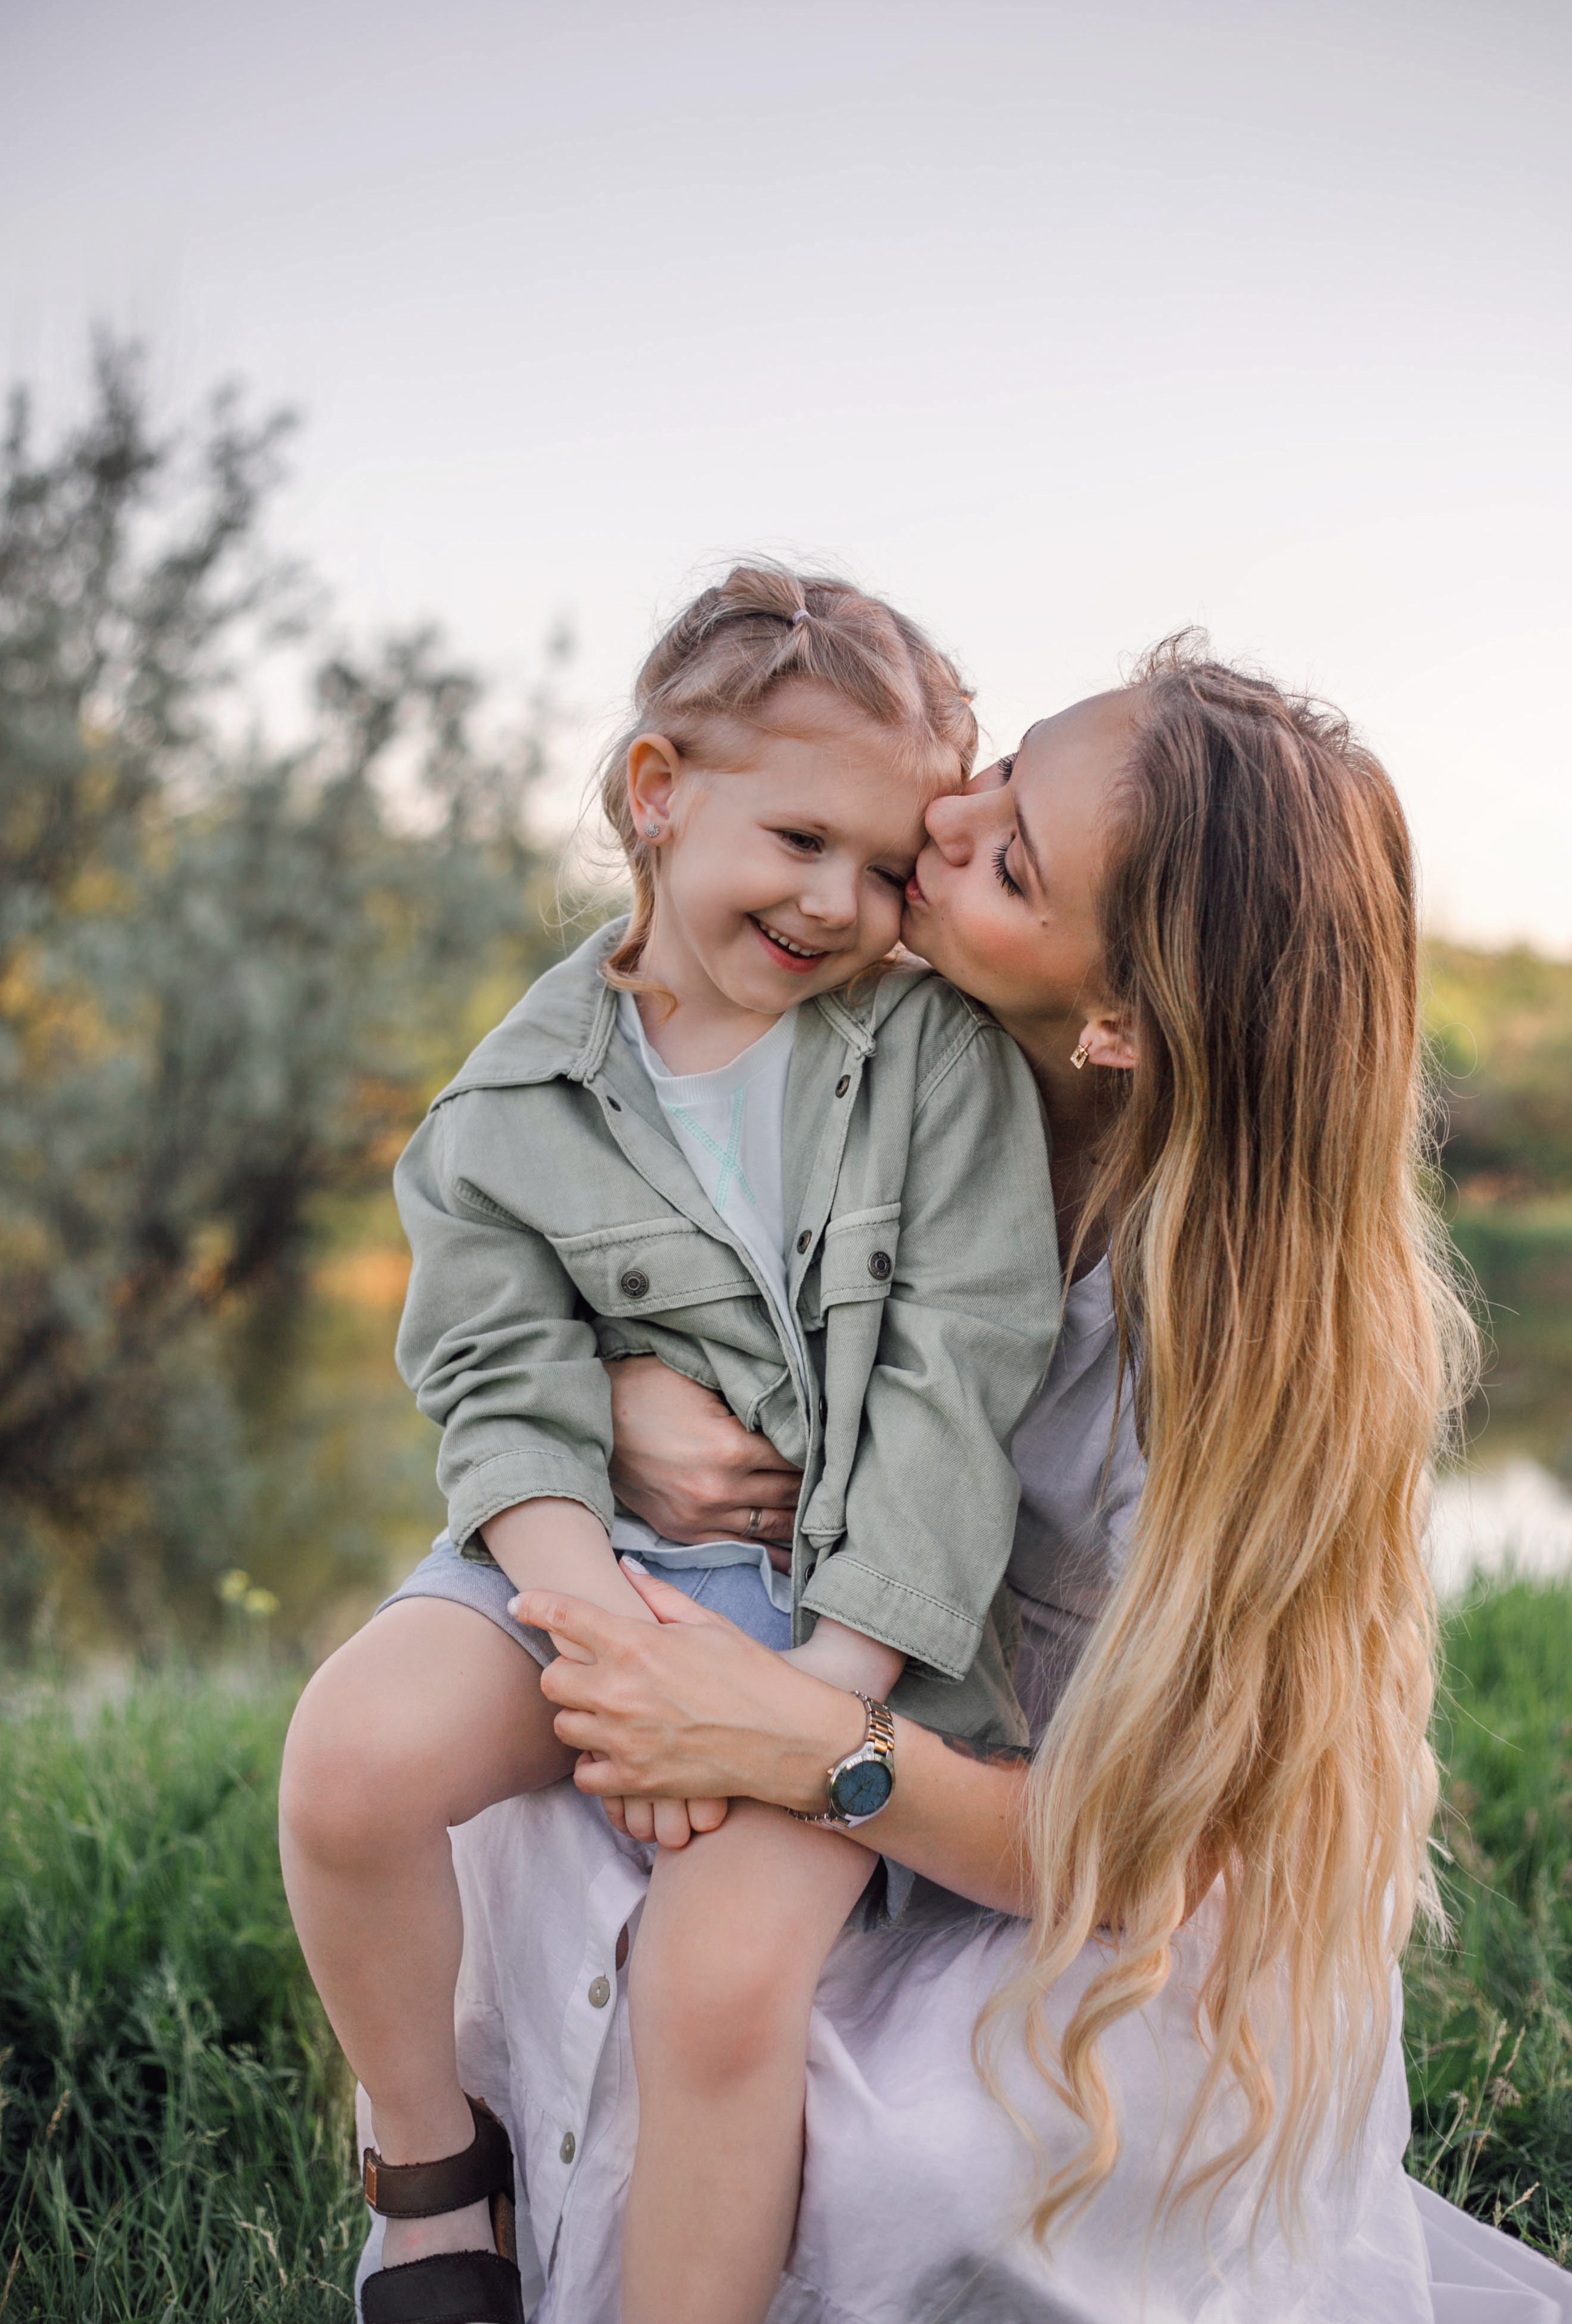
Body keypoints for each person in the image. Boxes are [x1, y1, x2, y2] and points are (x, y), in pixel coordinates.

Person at [375, 638, 1572, 2322]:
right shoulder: (871, 1040)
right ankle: (432, 2196)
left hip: (1075, 1887)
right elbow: (561, 1228)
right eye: (1003, 769)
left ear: (1121, 1027)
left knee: (884, 2144)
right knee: (553, 1814)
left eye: (1013, 861)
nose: (944, 822)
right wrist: (624, 1399)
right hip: (834, 1694)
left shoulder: (1254, 1354)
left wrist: (816, 1750)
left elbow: (1155, 1861)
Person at [279, 566, 1062, 2324]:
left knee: (718, 1971)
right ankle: (429, 2188)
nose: (839, 901)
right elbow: (502, 1395)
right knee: (348, 1761)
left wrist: (814, 1699)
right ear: (656, 791)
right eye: (798, 837)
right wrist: (607, 1647)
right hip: (591, 1570)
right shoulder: (503, 1110)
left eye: (884, 867)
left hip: (850, 1613)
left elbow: (956, 1387)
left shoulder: (936, 1063)